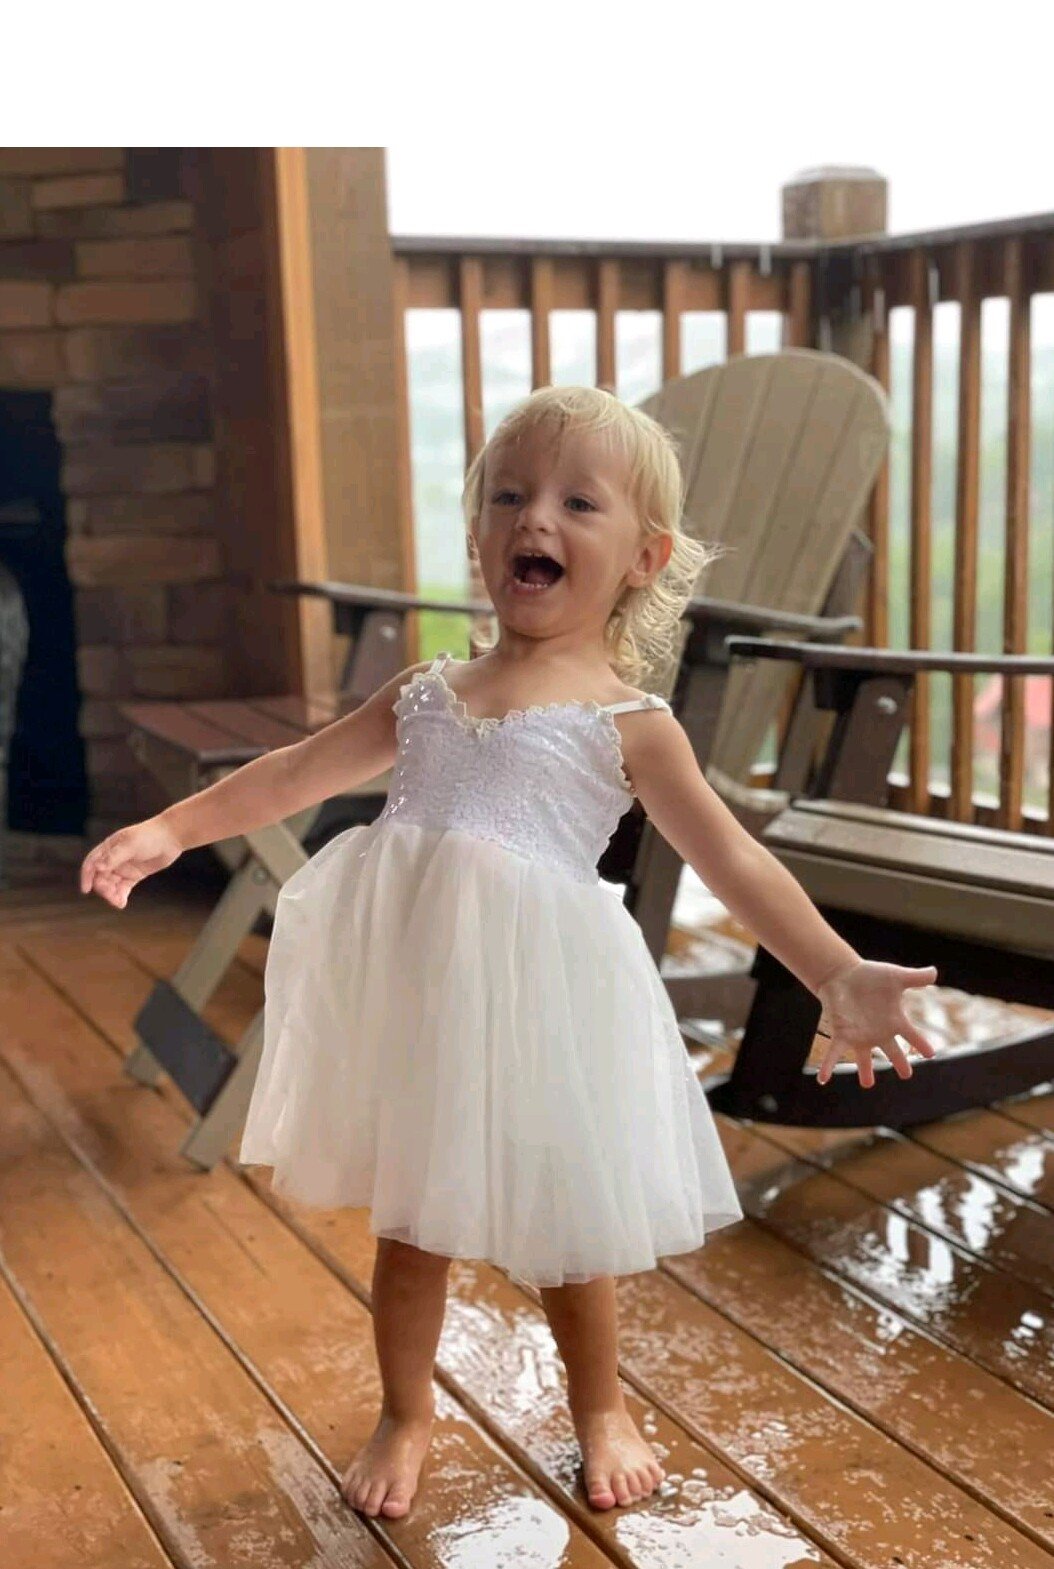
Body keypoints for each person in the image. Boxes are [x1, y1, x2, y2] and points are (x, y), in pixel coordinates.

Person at [80, 385, 938, 1521]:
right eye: (509, 496)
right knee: (411, 1227)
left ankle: (600, 1407)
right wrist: (171, 829)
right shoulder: (426, 692)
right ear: (481, 532)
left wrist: (834, 970)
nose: (534, 517)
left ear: (642, 557)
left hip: (546, 1011)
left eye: (578, 503)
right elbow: (296, 772)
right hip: (425, 1004)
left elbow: (733, 858)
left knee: (571, 1234)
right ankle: (405, 1412)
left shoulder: (629, 724)